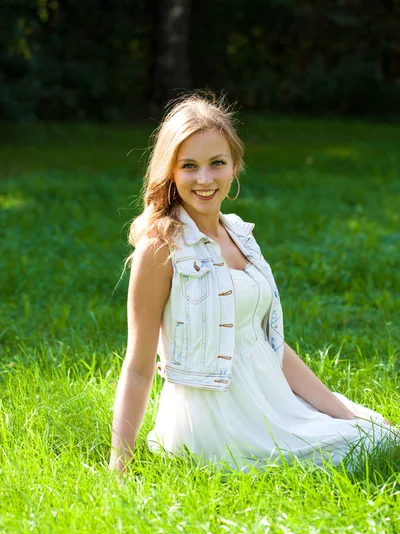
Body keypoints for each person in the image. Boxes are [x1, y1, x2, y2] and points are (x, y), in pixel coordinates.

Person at [108, 92, 397, 476]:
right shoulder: (162, 248)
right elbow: (139, 365)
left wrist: (338, 410)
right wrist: (119, 466)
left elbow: (269, 344)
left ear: (235, 166)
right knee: (366, 448)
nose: (205, 179)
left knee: (377, 435)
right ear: (171, 172)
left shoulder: (239, 234)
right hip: (216, 422)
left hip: (268, 398)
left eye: (217, 163)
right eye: (189, 166)